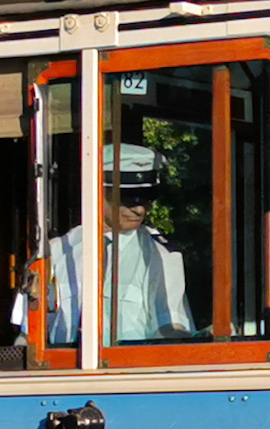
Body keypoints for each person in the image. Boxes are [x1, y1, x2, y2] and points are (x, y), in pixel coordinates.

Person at [25, 143, 195, 346]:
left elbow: (171, 332)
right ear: (97, 190)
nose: (140, 210)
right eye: (128, 198)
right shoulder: (56, 252)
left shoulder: (161, 255)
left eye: (147, 198)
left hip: (129, 372)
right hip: (63, 373)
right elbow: (29, 336)